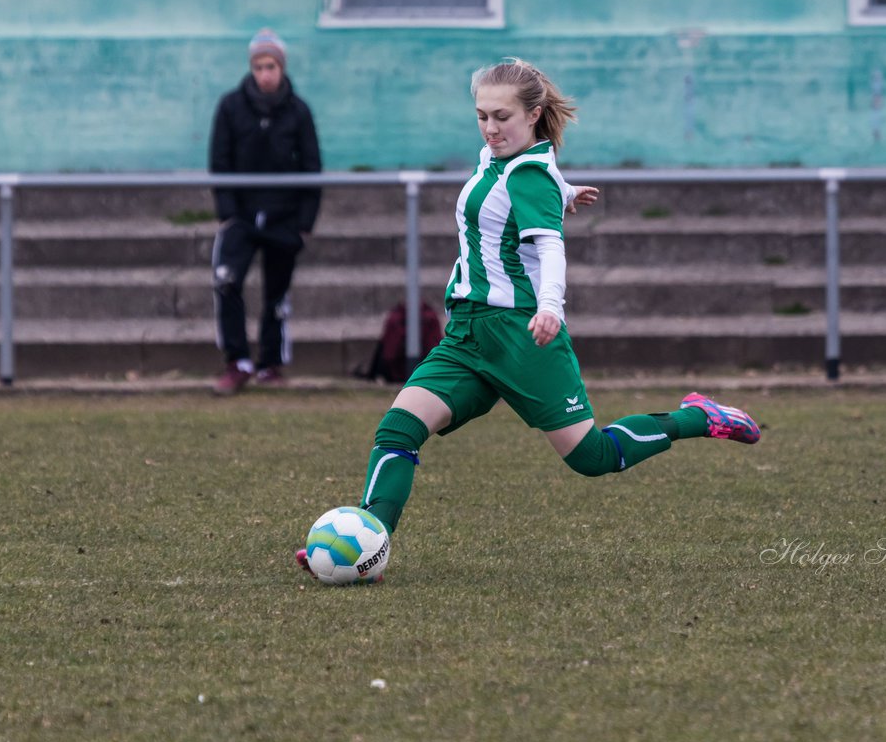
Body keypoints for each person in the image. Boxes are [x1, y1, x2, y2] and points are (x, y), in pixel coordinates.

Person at [296, 57, 760, 574]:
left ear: (533, 115)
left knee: (593, 458)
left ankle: (698, 417)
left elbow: (552, 249)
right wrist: (564, 191)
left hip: (523, 336)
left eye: (502, 117)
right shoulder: (504, 161)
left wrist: (550, 308)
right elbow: (507, 195)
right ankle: (361, 542)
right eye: (481, 116)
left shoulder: (531, 173)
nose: (490, 128)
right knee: (397, 429)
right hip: (468, 334)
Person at [208, 28, 322, 395]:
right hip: (241, 216)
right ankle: (237, 361)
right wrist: (227, 213)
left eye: (271, 65)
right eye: (258, 66)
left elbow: (311, 167)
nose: (265, 73)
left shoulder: (298, 111)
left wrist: (304, 223)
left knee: (277, 295)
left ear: (281, 67)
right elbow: (219, 160)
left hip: (283, 218)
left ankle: (270, 363)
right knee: (227, 282)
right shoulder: (230, 106)